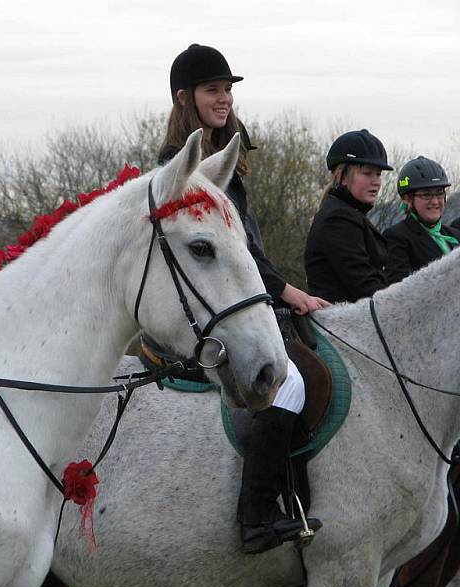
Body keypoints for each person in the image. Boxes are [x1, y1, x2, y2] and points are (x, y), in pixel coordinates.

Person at [159, 43, 327, 554]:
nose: (225, 98)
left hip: (243, 298)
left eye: (229, 89)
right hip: (204, 313)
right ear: (184, 98)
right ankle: (255, 516)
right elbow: (236, 255)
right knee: (290, 384)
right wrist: (289, 292)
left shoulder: (223, 158)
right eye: (214, 89)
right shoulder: (182, 169)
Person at [304, 129, 392, 303]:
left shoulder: (349, 214)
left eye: (378, 174)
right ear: (342, 176)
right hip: (341, 324)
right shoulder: (338, 219)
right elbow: (365, 286)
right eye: (367, 173)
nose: (376, 181)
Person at [384, 156, 458, 284]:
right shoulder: (397, 237)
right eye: (426, 194)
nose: (435, 201)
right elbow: (399, 290)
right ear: (408, 199)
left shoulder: (455, 235)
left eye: (440, 193)